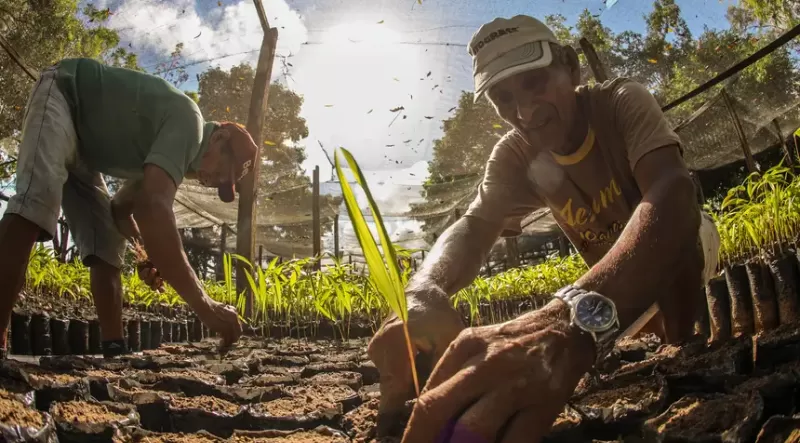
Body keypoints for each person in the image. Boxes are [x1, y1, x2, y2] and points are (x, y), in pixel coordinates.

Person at [367, 15, 721, 442]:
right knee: (637, 334)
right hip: (608, 277)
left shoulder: (620, 101)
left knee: (674, 284)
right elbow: (474, 227)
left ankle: (688, 354)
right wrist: (422, 289)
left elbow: (673, 194)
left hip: (684, 243)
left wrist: (566, 320)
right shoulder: (515, 155)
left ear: (570, 66)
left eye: (535, 82)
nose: (525, 111)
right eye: (503, 97)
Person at [0, 57, 255, 359]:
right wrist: (205, 305)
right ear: (220, 135)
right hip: (64, 96)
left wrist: (145, 256)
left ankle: (114, 350)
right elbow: (153, 208)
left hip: (85, 153)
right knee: (36, 202)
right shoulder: (191, 122)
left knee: (107, 241)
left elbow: (121, 209)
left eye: (221, 185)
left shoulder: (168, 161)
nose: (212, 182)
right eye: (222, 171)